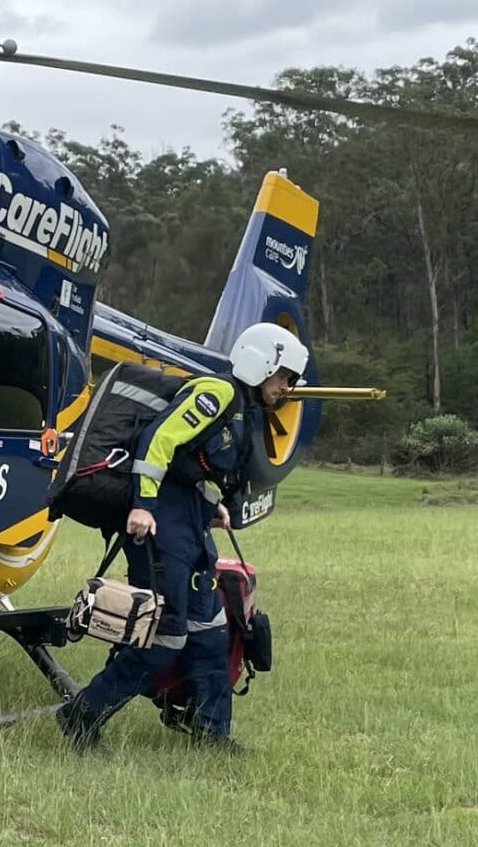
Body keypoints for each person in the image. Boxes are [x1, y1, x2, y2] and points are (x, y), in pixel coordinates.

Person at [57, 322, 310, 751]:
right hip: (162, 527)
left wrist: (212, 508)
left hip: (189, 524)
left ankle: (212, 732)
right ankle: (81, 715)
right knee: (165, 637)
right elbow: (160, 441)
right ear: (263, 363)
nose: (286, 388)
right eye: (284, 377)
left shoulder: (239, 411)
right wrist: (143, 505)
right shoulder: (217, 394)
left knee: (211, 629)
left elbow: (194, 467)